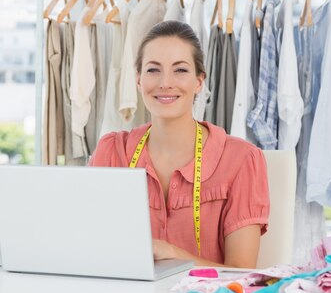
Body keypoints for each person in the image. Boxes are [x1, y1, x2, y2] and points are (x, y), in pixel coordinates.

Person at [89, 20, 269, 268]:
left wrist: (175, 255)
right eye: (153, 70)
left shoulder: (241, 160)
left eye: (180, 70)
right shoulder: (111, 152)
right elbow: (92, 250)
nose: (165, 82)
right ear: (139, 80)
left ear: (198, 82)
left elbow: (241, 274)